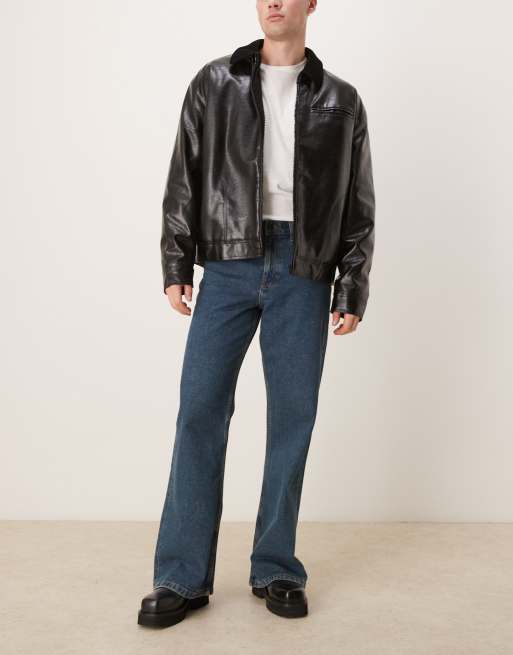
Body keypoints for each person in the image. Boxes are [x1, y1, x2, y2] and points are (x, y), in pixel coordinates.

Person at [138, 0, 375, 628]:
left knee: (292, 418)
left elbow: (358, 201)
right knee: (199, 411)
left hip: (305, 266)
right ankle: (181, 575)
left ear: (310, 3)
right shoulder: (214, 81)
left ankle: (275, 567)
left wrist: (351, 285)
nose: (273, 1)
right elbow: (184, 176)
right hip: (228, 260)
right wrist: (175, 262)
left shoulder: (342, 100)